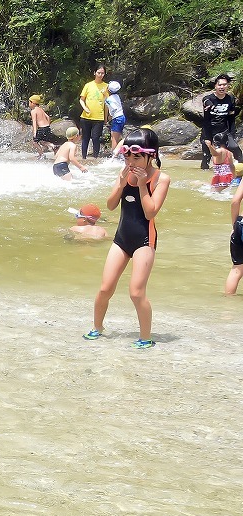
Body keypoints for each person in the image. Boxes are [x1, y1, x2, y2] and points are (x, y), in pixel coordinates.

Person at [84, 127, 171, 349]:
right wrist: (122, 183)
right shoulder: (124, 174)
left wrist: (142, 185)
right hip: (122, 238)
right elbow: (111, 205)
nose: (131, 162)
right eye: (127, 157)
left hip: (144, 240)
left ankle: (145, 337)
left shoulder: (161, 179)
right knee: (105, 288)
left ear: (151, 155)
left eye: (137, 157)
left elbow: (150, 213)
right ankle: (97, 327)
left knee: (136, 292)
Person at [200, 74, 241, 169]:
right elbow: (206, 101)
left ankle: (239, 172)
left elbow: (231, 118)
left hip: (224, 131)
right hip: (209, 131)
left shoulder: (230, 99)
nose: (222, 87)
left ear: (228, 86)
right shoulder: (209, 98)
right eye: (219, 85)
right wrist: (207, 138)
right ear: (215, 86)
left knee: (237, 150)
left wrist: (232, 134)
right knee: (206, 158)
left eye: (224, 85)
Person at [78, 64, 108, 159]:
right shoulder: (88, 85)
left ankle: (95, 158)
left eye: (102, 73)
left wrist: (106, 118)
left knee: (96, 138)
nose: (100, 75)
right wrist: (85, 108)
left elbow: (107, 103)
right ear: (94, 73)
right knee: (85, 138)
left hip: (99, 117)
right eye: (99, 73)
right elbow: (81, 99)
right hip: (85, 117)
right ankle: (83, 158)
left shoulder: (106, 86)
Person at [225, 179, 243, 295]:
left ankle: (228, 302)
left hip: (241, 224)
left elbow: (235, 202)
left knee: (237, 269)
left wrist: (234, 225)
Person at [105, 81, 126, 156]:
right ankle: (118, 154)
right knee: (115, 137)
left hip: (117, 118)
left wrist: (110, 116)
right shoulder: (117, 96)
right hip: (121, 117)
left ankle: (114, 156)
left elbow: (113, 109)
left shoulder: (108, 99)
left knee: (114, 138)